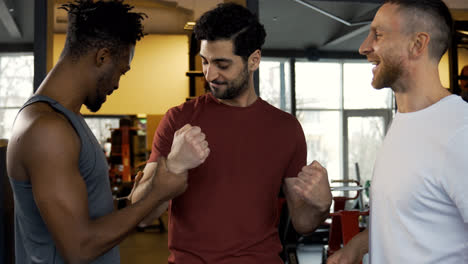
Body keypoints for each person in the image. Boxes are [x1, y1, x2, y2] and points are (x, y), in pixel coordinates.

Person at [6, 1, 209, 263]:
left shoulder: (67, 121)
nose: (116, 84)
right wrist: (157, 193)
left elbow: (88, 212)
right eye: (121, 72)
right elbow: (79, 247)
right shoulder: (47, 130)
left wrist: (132, 201)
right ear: (102, 57)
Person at [131, 3, 332, 264]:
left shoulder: (286, 129)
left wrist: (321, 205)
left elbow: (303, 223)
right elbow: (141, 215)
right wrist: (173, 166)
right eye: (204, 61)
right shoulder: (179, 119)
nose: (210, 74)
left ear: (254, 60)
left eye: (222, 64)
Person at [327, 0, 468, 263]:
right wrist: (358, 246)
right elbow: (409, 219)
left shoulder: (460, 132)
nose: (364, 47)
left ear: (417, 44)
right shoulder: (405, 120)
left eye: (377, 34)